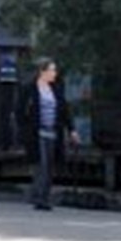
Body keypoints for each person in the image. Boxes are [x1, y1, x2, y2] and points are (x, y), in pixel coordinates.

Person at [17, 57, 79, 211]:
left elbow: (64, 110)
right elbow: (19, 111)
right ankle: (40, 198)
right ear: (42, 71)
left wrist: (72, 130)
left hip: (53, 132)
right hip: (37, 132)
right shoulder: (29, 89)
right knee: (41, 165)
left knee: (50, 166)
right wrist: (25, 129)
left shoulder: (56, 89)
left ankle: (42, 196)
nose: (54, 73)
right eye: (51, 69)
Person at [0, 49, 20, 150]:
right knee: (7, 116)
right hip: (5, 83)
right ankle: (7, 143)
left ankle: (12, 143)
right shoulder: (2, 53)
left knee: (11, 116)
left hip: (12, 83)